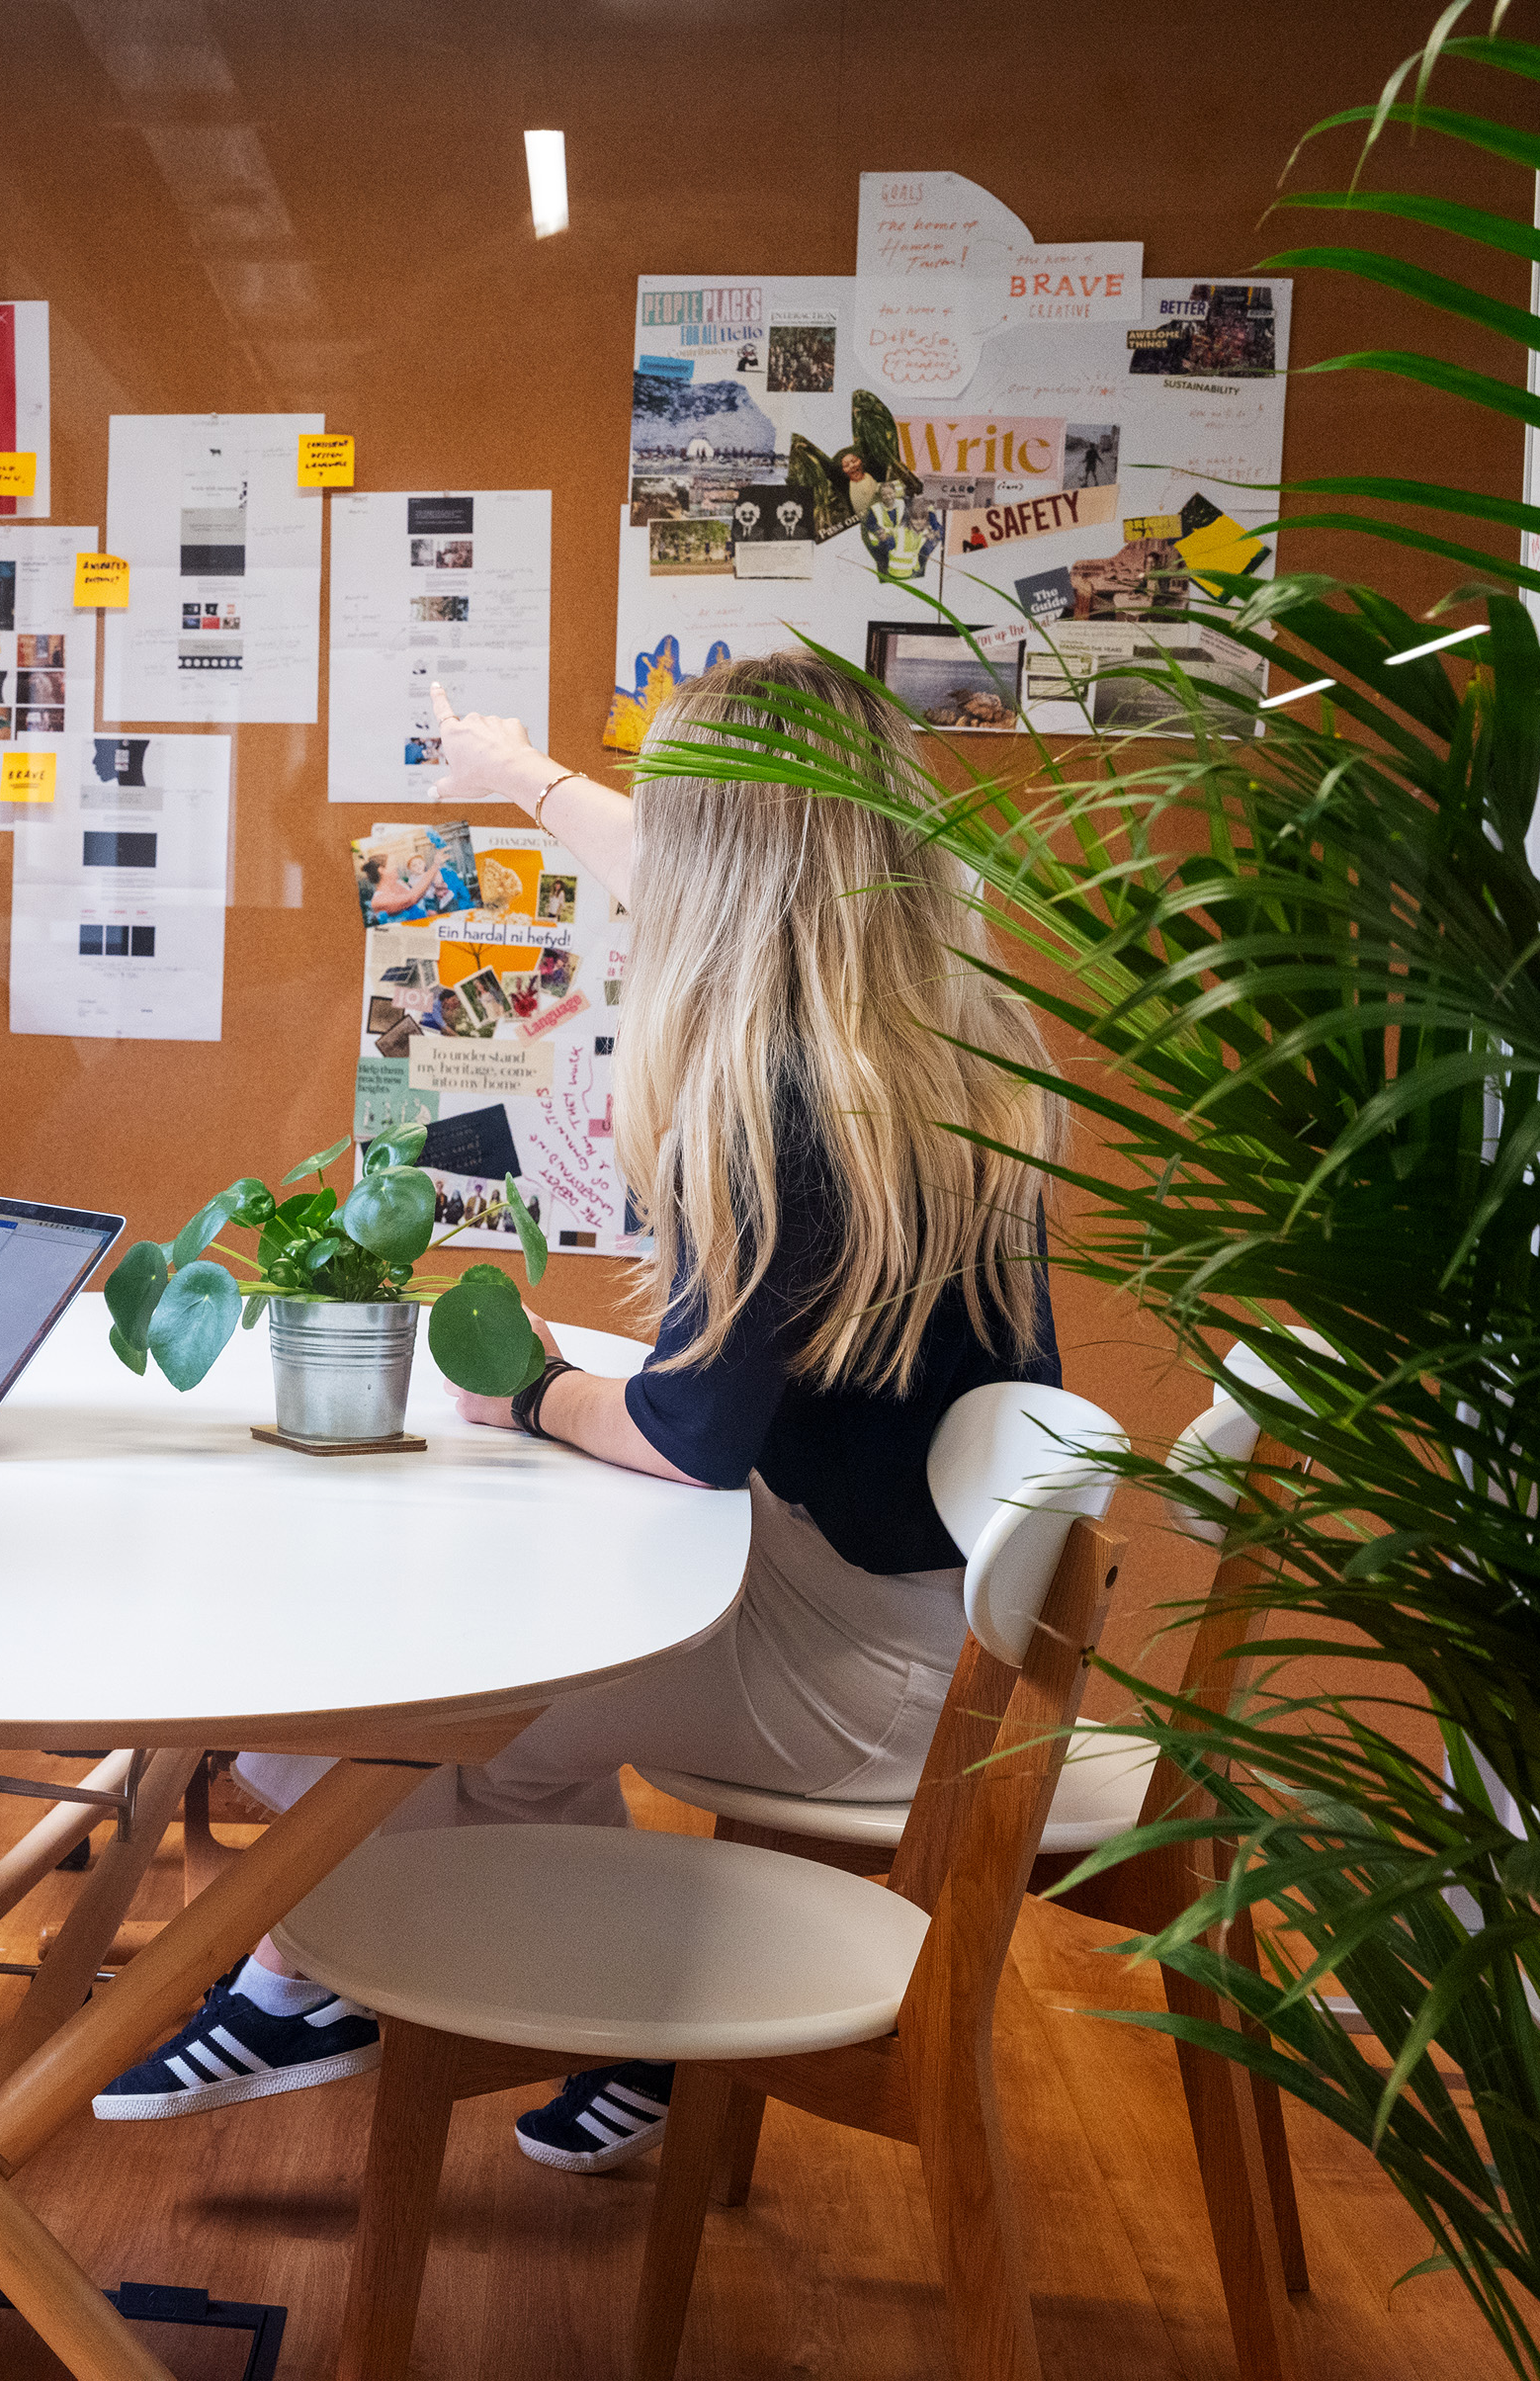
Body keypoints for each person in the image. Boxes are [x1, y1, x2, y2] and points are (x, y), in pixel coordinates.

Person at [94, 654, 1062, 2178]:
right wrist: (519, 772)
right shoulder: (927, 1023)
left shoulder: (783, 1108)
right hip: (919, 1602)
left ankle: (306, 1984)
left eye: (669, 824)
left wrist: (534, 1388)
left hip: (873, 1679)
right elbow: (667, 856)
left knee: (379, 1711)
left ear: (719, 873)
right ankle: (632, 2020)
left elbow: (688, 1436)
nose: (642, 855)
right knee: (523, 1752)